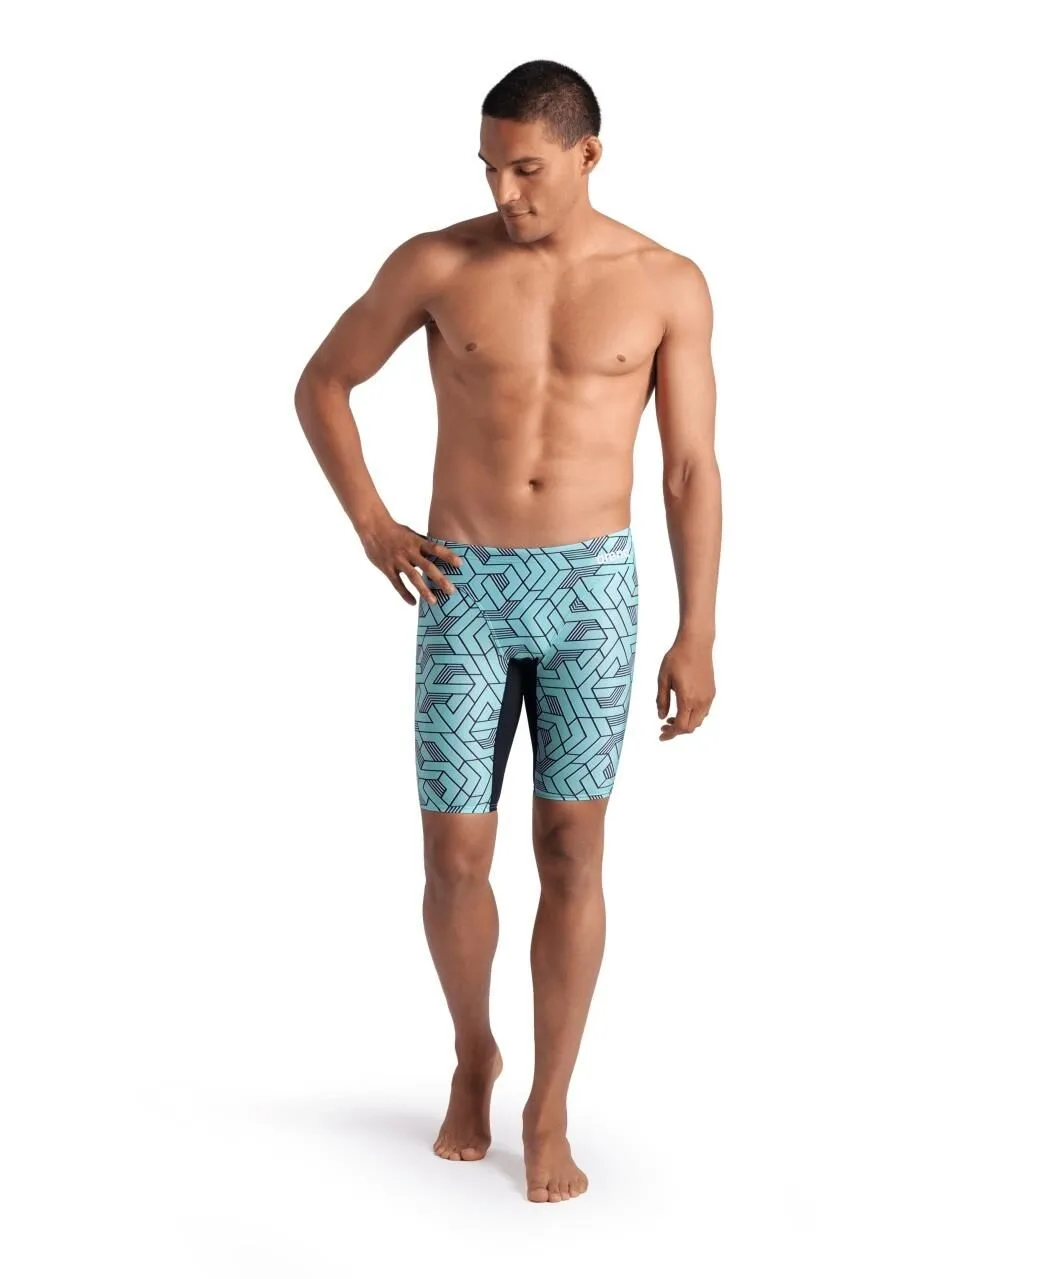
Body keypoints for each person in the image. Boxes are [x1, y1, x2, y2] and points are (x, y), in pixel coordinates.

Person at [293, 59, 721, 1204]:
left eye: (526, 168)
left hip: (591, 596)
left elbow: (688, 468)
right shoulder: (438, 263)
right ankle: (474, 1051)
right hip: (464, 591)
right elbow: (324, 382)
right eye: (488, 168)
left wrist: (698, 629)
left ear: (589, 155)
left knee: (572, 851)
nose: (504, 192)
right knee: (453, 858)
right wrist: (376, 526)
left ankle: (550, 1104)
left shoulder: (666, 283)